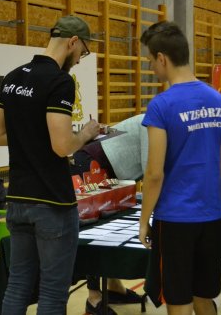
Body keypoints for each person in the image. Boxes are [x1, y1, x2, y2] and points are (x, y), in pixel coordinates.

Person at [0, 15, 100, 315]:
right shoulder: (60, 81)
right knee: (52, 291)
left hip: (18, 199)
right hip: (52, 201)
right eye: (82, 52)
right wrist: (86, 134)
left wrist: (31, 134)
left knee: (17, 285)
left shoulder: (13, 77)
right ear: (73, 42)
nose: (79, 60)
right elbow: (62, 146)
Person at [138, 21, 221, 315]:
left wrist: (144, 220)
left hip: (175, 219)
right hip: (211, 215)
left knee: (179, 301)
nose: (151, 67)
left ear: (162, 58)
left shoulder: (161, 105)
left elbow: (154, 173)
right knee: (204, 297)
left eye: (150, 61)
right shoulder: (218, 99)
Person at [71, 114, 146, 314]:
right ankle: (93, 297)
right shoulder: (153, 122)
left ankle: (114, 287)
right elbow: (151, 169)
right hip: (92, 163)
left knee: (111, 229)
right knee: (96, 230)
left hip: (113, 170)